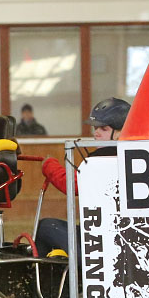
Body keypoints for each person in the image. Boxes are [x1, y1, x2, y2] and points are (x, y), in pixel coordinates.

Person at [34, 97, 131, 256]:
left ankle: (65, 274)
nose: (96, 134)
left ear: (122, 131)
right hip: (118, 233)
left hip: (103, 237)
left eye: (103, 129)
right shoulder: (134, 155)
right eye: (96, 128)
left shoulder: (103, 160)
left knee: (46, 227)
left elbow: (72, 184)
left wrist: (49, 165)